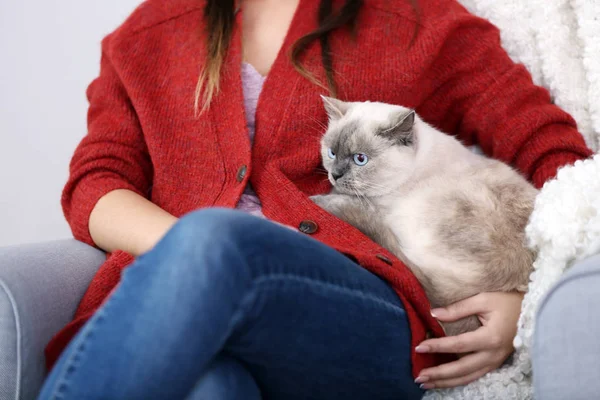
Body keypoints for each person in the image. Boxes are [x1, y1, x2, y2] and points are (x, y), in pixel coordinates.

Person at [38, 0, 592, 398]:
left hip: (359, 309)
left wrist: (526, 296)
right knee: (211, 386)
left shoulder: (415, 20)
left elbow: (557, 157)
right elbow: (96, 185)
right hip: (185, 309)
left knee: (216, 239)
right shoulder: (146, 36)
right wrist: (192, 256)